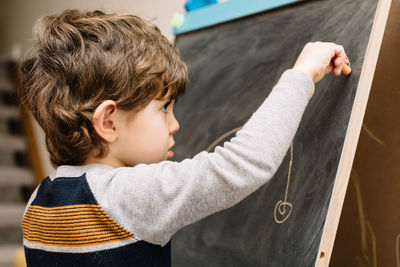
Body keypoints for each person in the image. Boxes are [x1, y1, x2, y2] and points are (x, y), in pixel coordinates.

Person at [19, 9, 348, 267]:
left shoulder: (37, 204)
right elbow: (245, 163)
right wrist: (302, 75)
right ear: (108, 122)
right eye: (164, 109)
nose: (175, 124)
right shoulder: (127, 196)